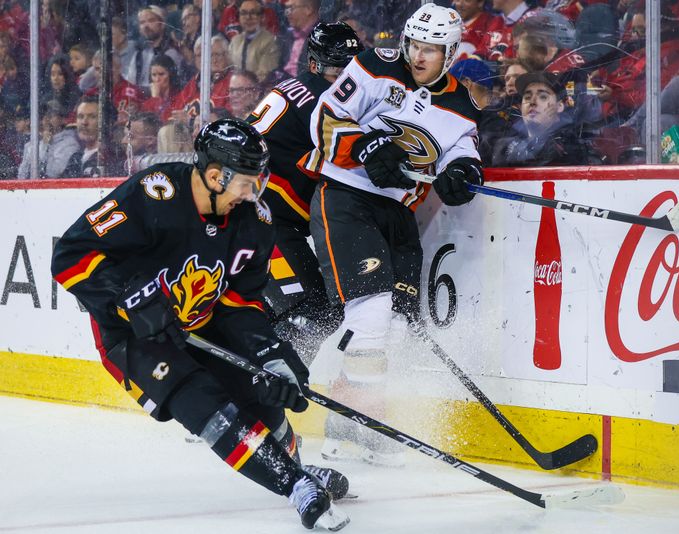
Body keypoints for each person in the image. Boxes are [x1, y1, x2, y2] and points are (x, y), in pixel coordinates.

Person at [51, 118, 350, 532]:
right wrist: (130, 298)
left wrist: (273, 356)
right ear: (215, 175)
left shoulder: (255, 222)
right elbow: (71, 255)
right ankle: (294, 483)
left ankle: (296, 467)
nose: (254, 194)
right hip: (134, 335)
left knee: (260, 396)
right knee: (201, 402)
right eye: (247, 183)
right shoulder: (154, 195)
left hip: (203, 321)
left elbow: (241, 301)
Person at [301, 4, 483, 466]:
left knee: (397, 326)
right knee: (372, 316)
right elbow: (324, 119)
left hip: (399, 215)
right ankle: (354, 425)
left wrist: (461, 175)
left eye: (432, 50)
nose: (420, 57)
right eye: (416, 46)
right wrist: (364, 145)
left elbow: (463, 156)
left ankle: (355, 425)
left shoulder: (461, 106)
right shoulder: (373, 68)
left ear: (451, 53)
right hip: (346, 200)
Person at [247, 21, 363, 363]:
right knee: (311, 309)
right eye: (337, 69)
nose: (345, 77)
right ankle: (274, 382)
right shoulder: (324, 103)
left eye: (352, 67)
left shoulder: (301, 89)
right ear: (314, 65)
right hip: (260, 224)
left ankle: (267, 374)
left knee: (310, 309)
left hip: (268, 222)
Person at [492, 71, 602, 167]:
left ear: (559, 106)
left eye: (543, 97)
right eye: (527, 97)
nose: (532, 102)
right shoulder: (504, 146)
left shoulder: (572, 147)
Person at [229, 0, 281, 83]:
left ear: (262, 17)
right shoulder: (235, 41)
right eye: (244, 13)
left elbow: (263, 76)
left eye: (253, 13)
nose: (248, 17)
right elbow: (229, 70)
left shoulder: (269, 41)